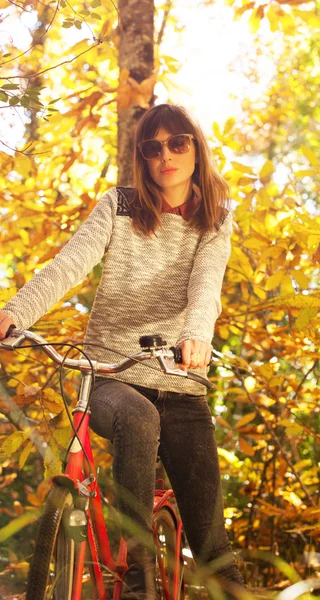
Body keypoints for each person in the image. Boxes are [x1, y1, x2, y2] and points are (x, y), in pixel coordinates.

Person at [0, 103, 245, 599]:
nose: (166, 156)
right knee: (136, 418)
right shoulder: (119, 205)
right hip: (112, 374)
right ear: (142, 158)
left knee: (214, 547)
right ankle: (140, 571)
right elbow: (70, 265)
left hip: (179, 381)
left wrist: (196, 335)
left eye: (178, 143)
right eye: (152, 148)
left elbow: (205, 288)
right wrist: (15, 313)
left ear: (196, 148)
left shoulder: (216, 218)